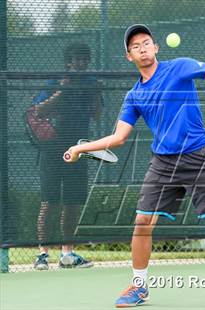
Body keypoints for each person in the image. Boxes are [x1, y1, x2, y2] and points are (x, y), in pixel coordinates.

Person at [62, 24, 205, 306]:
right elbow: (119, 137)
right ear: (129, 56)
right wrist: (79, 147)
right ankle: (138, 288)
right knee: (142, 222)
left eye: (147, 43)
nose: (142, 48)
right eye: (135, 46)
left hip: (201, 156)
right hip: (164, 162)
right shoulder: (134, 96)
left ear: (156, 47)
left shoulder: (181, 67)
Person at [33, 42, 101, 270]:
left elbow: (97, 115)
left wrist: (95, 94)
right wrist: (62, 89)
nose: (81, 63)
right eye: (76, 59)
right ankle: (43, 255)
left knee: (71, 203)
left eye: (84, 59)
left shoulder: (91, 83)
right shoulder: (55, 82)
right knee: (49, 201)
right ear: (68, 62)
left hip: (78, 147)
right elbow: (39, 111)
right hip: (52, 148)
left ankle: (67, 254)